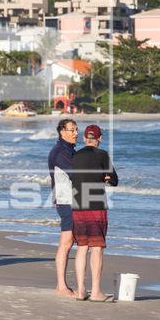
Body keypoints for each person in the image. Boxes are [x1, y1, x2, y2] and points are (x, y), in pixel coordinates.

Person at [70, 124, 118, 302]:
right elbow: (114, 180)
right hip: (96, 205)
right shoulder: (102, 155)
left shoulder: (75, 156)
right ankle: (96, 291)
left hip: (77, 204)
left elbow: (72, 177)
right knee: (96, 247)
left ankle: (81, 290)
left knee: (82, 247)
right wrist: (104, 177)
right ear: (100, 139)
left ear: (84, 138)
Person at [47, 118, 78, 297]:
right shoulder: (61, 152)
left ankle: (62, 285)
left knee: (69, 240)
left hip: (69, 198)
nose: (76, 133)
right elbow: (77, 174)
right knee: (66, 241)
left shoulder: (68, 149)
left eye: (76, 130)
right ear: (62, 132)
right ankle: (61, 285)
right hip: (65, 199)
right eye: (72, 130)